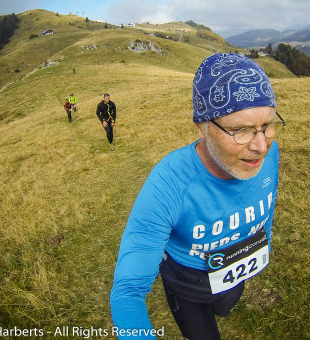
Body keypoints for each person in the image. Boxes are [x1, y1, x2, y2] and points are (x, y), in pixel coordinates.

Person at [110, 53, 286, 339]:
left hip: (236, 271)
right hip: (188, 286)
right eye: (240, 129)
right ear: (202, 127)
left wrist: (264, 239)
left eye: (267, 125)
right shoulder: (168, 183)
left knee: (225, 307)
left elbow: (269, 199)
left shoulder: (269, 154)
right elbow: (128, 292)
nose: (262, 145)